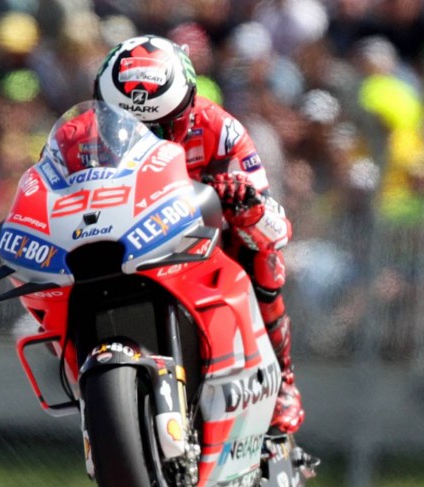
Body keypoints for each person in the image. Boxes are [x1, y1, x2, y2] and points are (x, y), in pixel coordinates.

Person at [92, 35, 304, 433]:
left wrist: (246, 203)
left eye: (158, 125)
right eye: (126, 122)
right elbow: (45, 186)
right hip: (117, 243)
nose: (143, 136)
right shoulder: (81, 135)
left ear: (185, 106)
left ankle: (284, 381)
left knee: (265, 257)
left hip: (201, 246)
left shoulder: (220, 129)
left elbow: (278, 228)